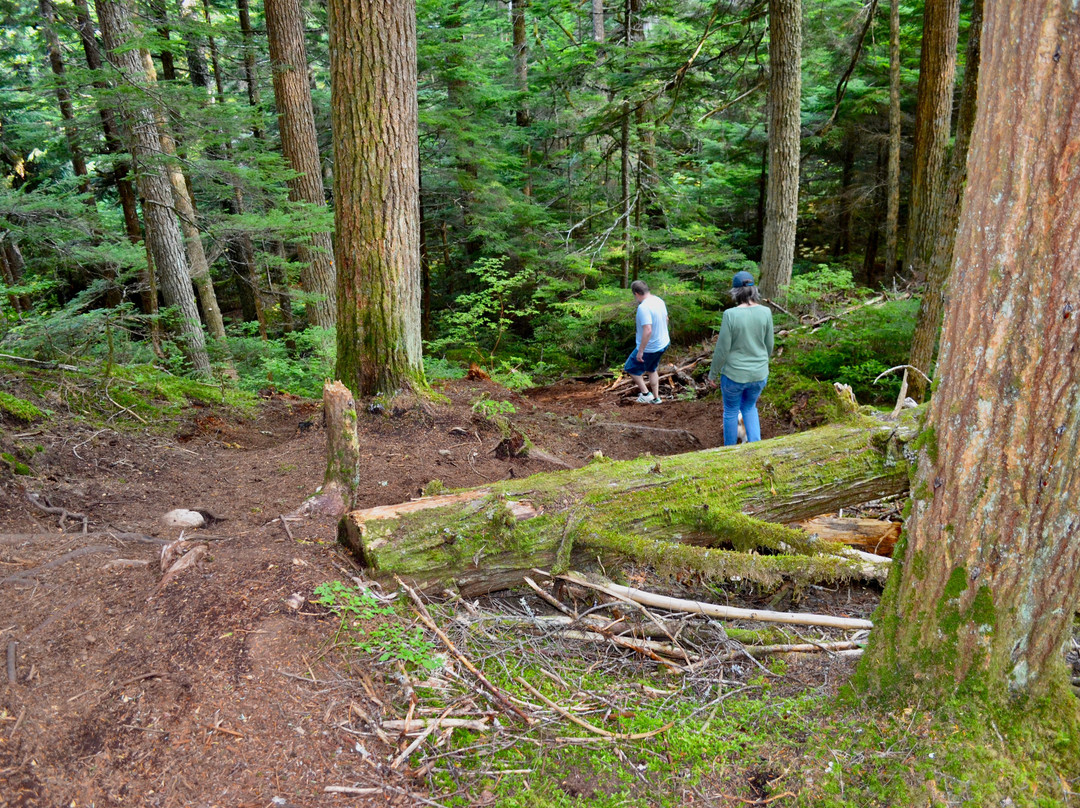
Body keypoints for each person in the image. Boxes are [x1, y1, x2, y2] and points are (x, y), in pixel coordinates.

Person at [708, 270, 774, 445]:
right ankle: (756, 446)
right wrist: (761, 362)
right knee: (749, 407)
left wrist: (712, 374)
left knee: (730, 411)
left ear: (735, 292)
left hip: (734, 375)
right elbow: (770, 345)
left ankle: (729, 450)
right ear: (754, 290)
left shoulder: (730, 315)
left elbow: (722, 349)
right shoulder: (766, 312)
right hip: (759, 374)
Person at [624, 280, 670, 404]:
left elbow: (648, 330)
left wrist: (641, 351)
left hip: (651, 347)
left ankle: (646, 394)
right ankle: (656, 398)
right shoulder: (659, 300)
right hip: (663, 343)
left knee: (630, 368)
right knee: (652, 369)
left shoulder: (643, 307)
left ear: (637, 293)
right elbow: (666, 319)